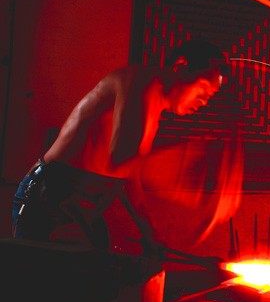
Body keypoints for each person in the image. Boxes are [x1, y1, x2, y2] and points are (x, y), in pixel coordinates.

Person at [11, 39, 226, 250]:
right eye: (203, 89)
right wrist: (188, 178)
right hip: (51, 193)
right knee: (45, 271)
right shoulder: (141, 82)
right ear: (181, 66)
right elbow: (123, 161)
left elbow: (128, 176)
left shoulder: (153, 101)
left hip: (80, 201)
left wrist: (150, 231)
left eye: (209, 97)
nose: (204, 102)